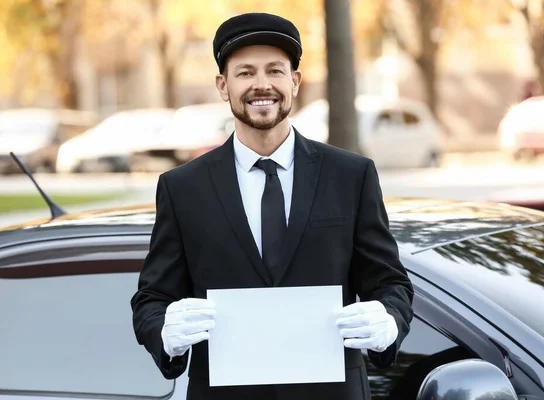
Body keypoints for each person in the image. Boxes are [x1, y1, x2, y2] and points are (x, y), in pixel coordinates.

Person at [130, 12, 414, 400]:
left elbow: (390, 283)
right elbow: (151, 299)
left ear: (294, 82)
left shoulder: (350, 175)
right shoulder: (182, 188)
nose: (261, 85)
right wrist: (163, 330)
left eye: (275, 71)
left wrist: (389, 320)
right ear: (222, 85)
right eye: (245, 73)